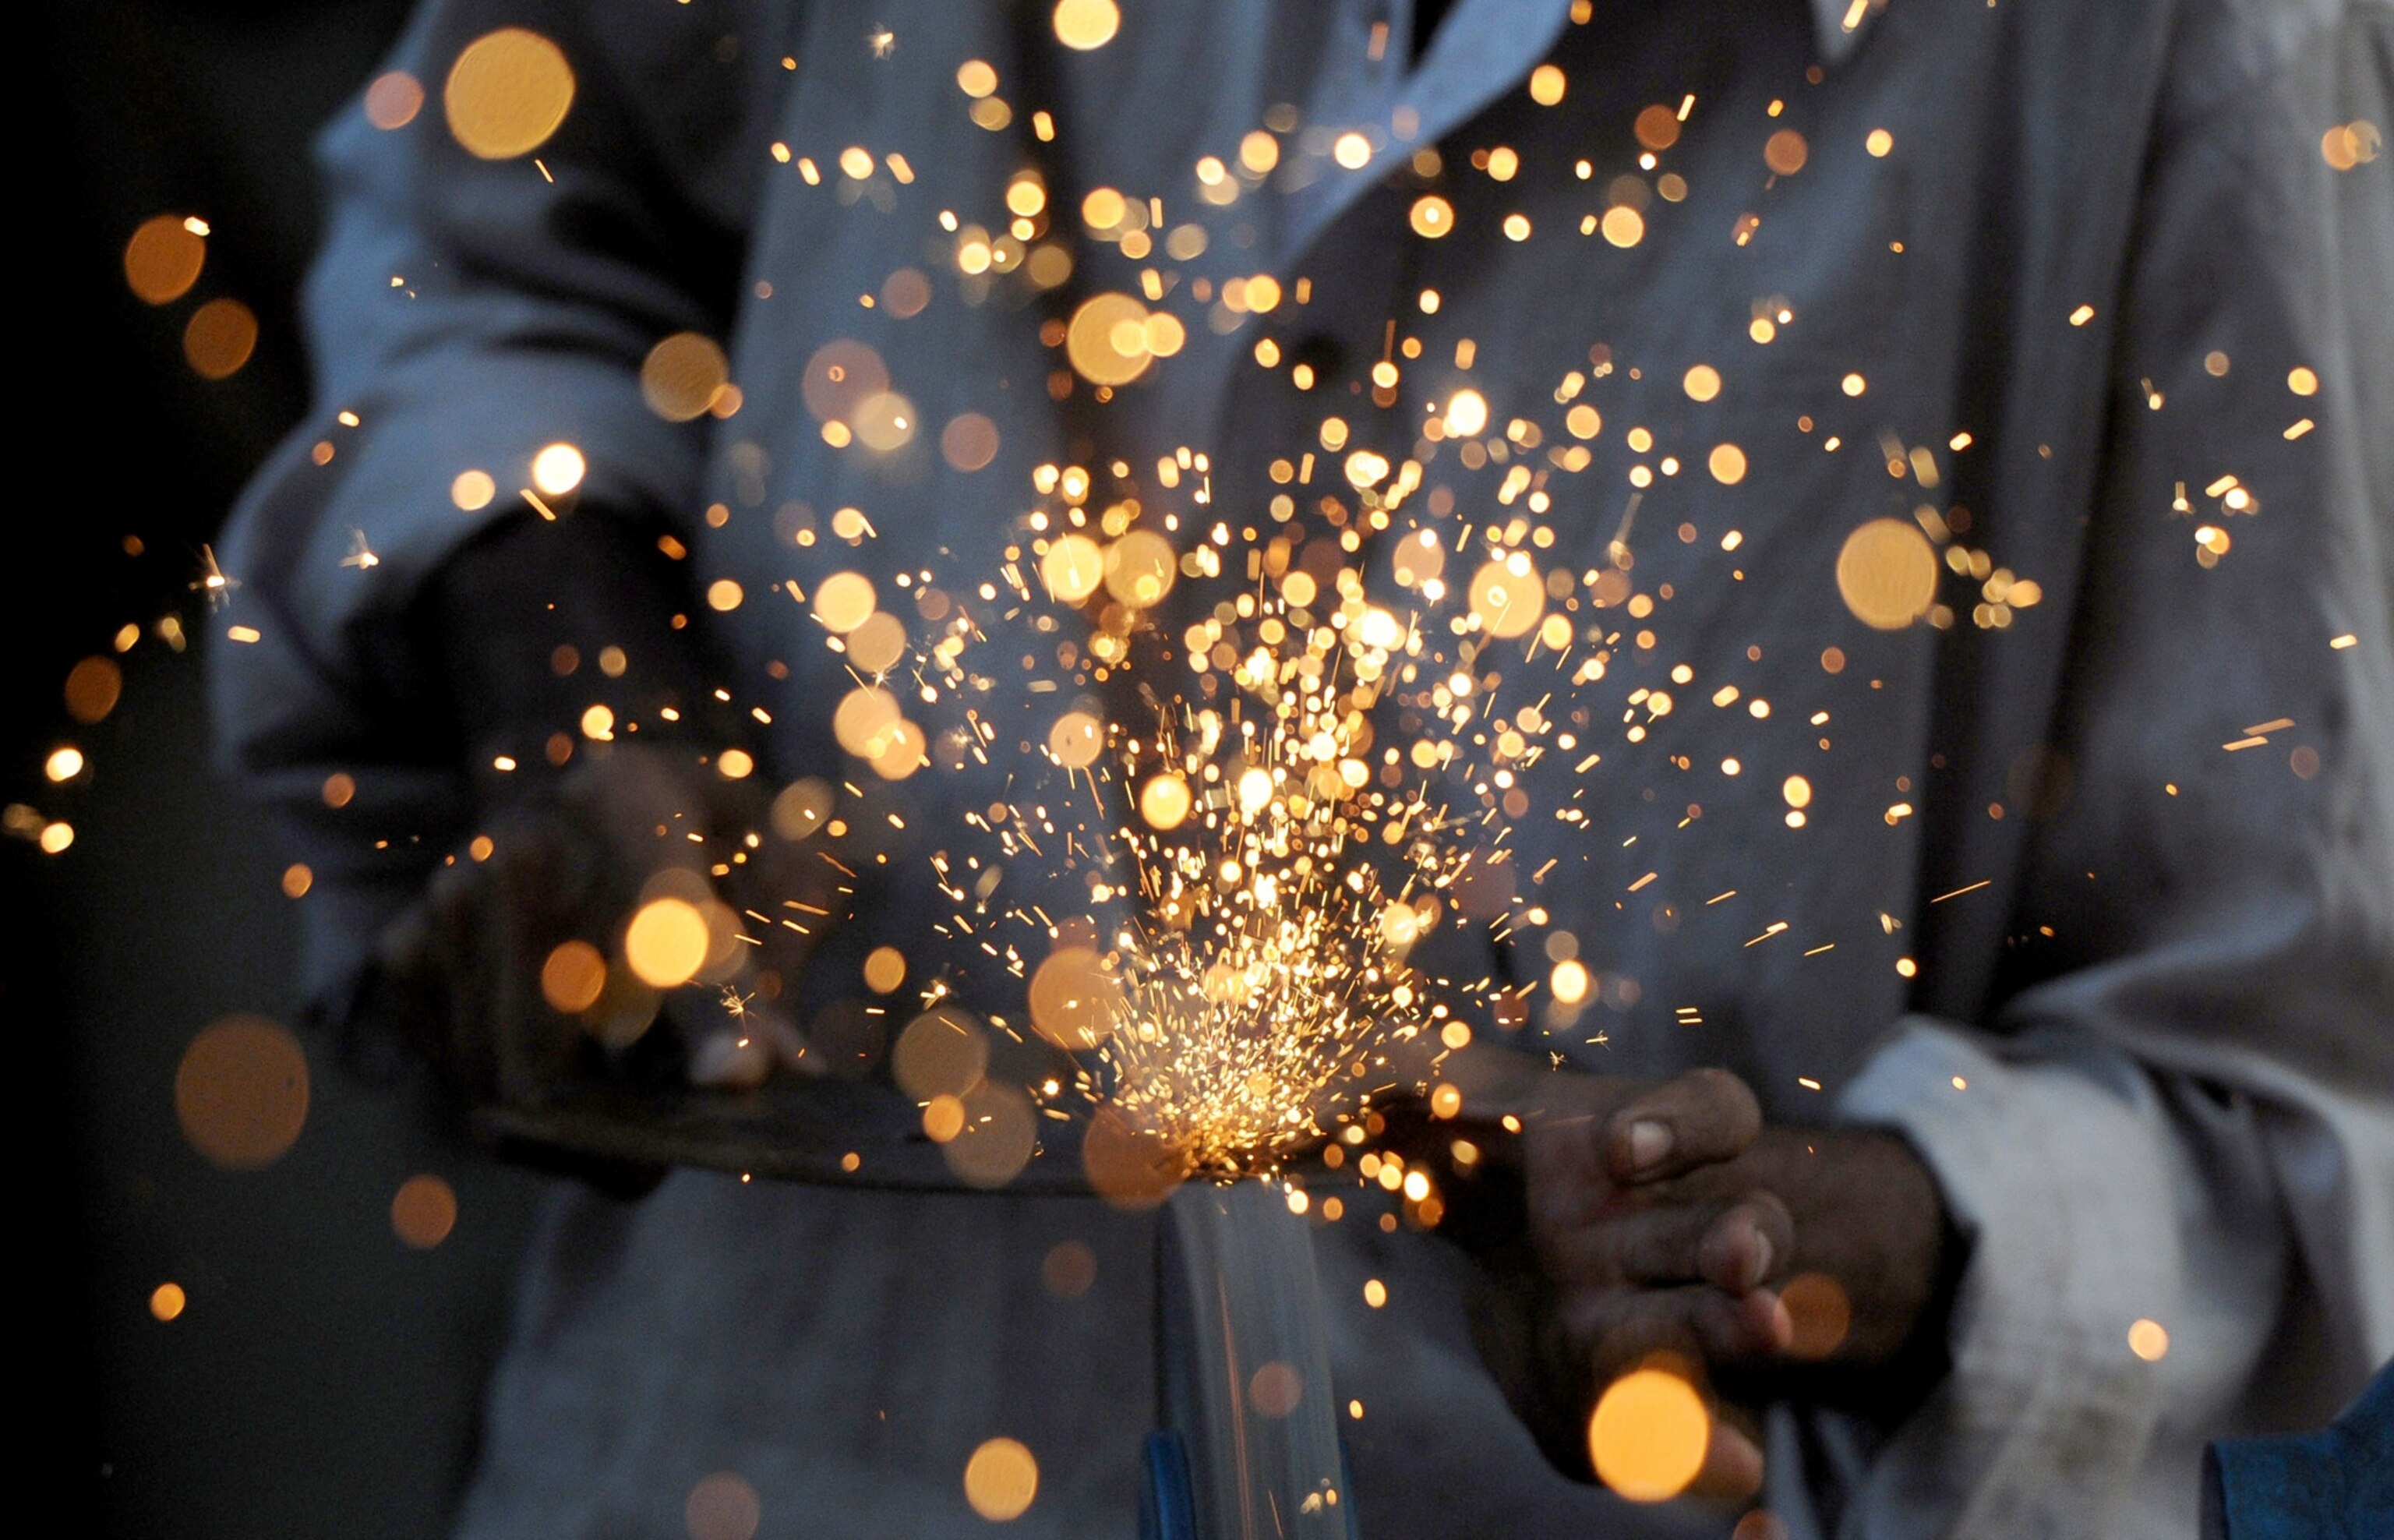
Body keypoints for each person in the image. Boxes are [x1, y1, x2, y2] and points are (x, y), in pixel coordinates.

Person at [214, 0, 2392, 1534]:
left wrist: (1792, 1234)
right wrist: (576, 687)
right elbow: (494, 219)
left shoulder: (2190, 46)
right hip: (735, 1459)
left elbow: (2278, 1108)